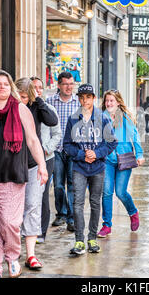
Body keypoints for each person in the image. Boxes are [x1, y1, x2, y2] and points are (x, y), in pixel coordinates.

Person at [0, 70, 48, 278]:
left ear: (11, 88)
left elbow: (33, 141)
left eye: (5, 84)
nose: (1, 87)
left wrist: (42, 166)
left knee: (9, 222)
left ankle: (12, 256)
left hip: (13, 173)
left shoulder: (20, 109)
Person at [63, 84, 117, 255]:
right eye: (81, 97)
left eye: (88, 97)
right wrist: (81, 154)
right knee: (77, 203)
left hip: (98, 168)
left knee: (95, 203)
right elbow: (66, 145)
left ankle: (92, 238)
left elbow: (112, 142)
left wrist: (97, 153)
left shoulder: (103, 118)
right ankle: (79, 241)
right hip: (79, 167)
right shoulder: (73, 119)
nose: (84, 100)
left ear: (94, 98)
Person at [15, 78, 58, 270]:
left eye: (25, 97)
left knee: (33, 206)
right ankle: (13, 253)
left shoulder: (36, 107)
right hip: (12, 165)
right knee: (14, 212)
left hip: (33, 164)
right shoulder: (10, 107)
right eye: (19, 96)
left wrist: (38, 100)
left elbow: (52, 120)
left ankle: (31, 254)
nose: (21, 100)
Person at [98, 90, 144, 238]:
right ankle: (106, 225)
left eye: (112, 100)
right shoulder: (100, 117)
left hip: (124, 159)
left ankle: (133, 212)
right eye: (107, 101)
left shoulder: (124, 117)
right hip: (107, 160)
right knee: (106, 191)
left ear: (118, 102)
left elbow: (134, 135)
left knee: (121, 192)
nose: (109, 103)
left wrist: (140, 154)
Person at [47, 72, 80, 232]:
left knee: (72, 185)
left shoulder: (78, 102)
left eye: (71, 84)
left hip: (73, 150)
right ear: (59, 85)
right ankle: (61, 214)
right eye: (66, 84)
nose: (69, 87)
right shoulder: (50, 102)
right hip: (56, 149)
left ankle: (72, 219)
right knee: (58, 184)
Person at [31, 77, 62, 244]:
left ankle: (41, 232)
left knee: (42, 196)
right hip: (25, 159)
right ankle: (27, 229)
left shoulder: (48, 109)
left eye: (40, 87)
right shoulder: (22, 108)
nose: (37, 90)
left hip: (46, 157)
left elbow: (57, 134)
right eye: (33, 87)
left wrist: (46, 148)